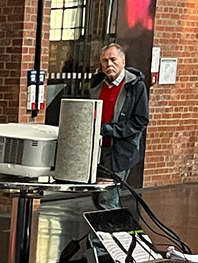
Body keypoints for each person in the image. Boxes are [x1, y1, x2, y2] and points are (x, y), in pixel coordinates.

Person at [51, 42, 149, 209]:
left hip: (119, 151)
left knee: (108, 199)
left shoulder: (135, 86)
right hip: (96, 150)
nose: (109, 64)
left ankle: (108, 226)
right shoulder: (96, 86)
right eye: (105, 61)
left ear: (123, 61)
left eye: (113, 60)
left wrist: (109, 130)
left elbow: (140, 121)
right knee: (97, 197)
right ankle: (107, 225)